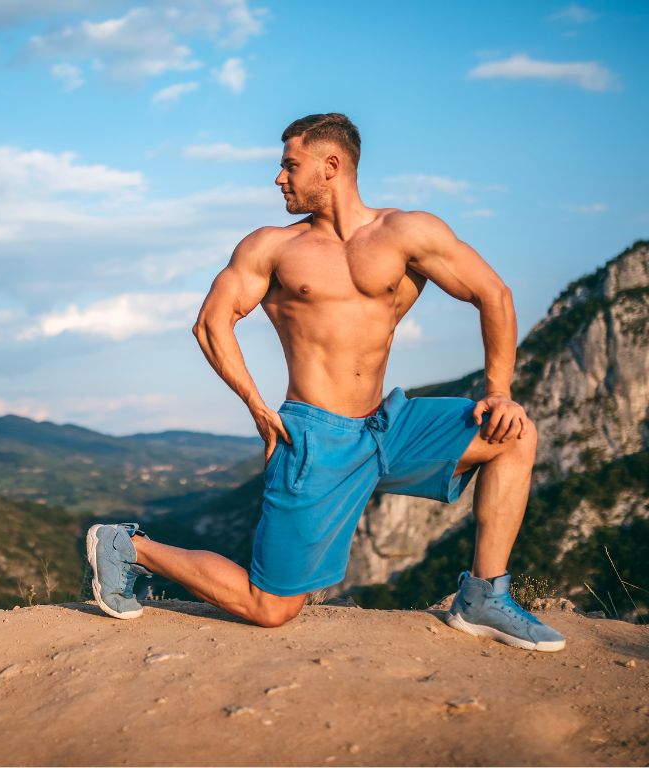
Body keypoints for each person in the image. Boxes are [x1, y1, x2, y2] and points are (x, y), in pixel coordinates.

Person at [86, 112, 564, 652]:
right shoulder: (272, 248)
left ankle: (483, 597)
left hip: (389, 425)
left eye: (290, 164)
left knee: (513, 433)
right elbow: (211, 322)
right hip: (316, 438)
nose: (279, 177)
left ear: (331, 165)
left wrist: (498, 390)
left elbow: (492, 294)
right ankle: (129, 546)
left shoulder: (408, 233)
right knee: (270, 609)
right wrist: (256, 405)